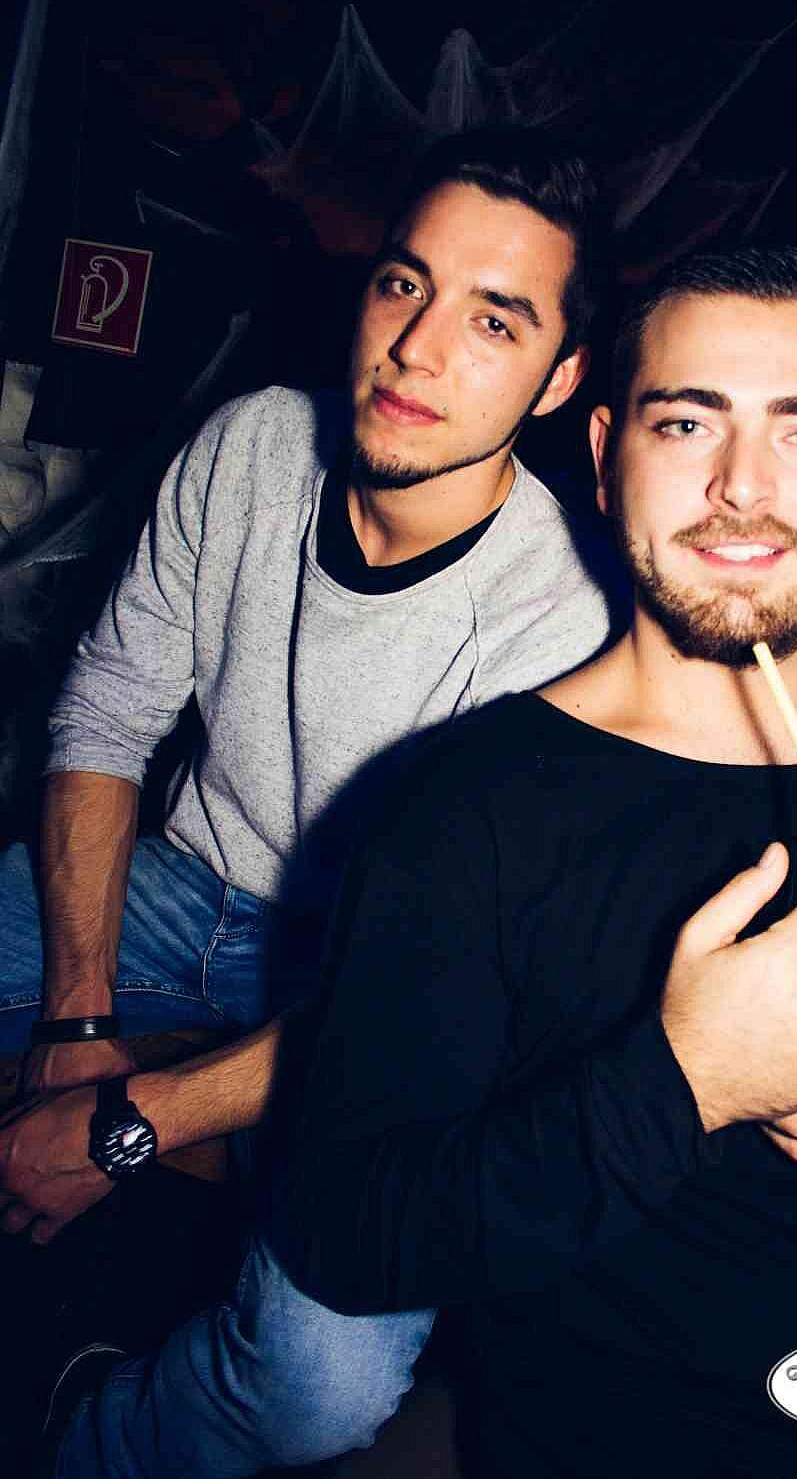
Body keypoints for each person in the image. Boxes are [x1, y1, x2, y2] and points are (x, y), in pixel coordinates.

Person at [263, 246, 797, 1478]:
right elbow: (350, 1235)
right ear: (603, 451)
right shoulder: (459, 805)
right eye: (686, 423)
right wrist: (681, 1082)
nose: (742, 486)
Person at [2, 128, 621, 1460]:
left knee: (318, 1387)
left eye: (494, 321)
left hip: (380, 990)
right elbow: (106, 711)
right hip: (181, 885)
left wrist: (124, 1125)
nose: (418, 348)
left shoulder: (562, 627)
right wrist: (78, 1013)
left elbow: (434, 992)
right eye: (405, 283)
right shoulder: (256, 443)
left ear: (561, 379)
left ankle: (81, 1438)